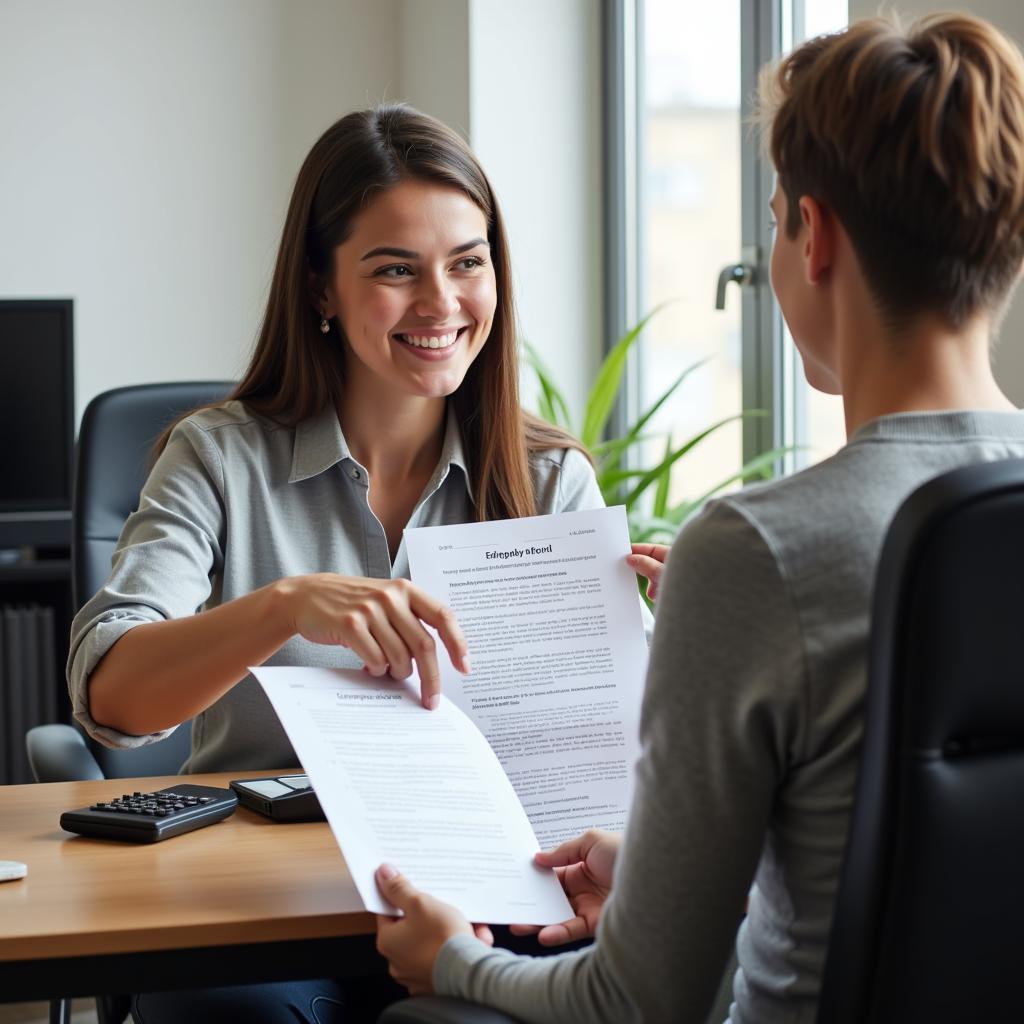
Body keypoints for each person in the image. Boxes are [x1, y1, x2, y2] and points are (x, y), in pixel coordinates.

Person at [374, 13, 1024, 1023]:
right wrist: (657, 867)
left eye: (773, 218)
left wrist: (454, 958)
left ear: (819, 239)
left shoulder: (759, 551)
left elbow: (638, 1000)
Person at [67, 105, 617, 1022]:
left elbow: (616, 755)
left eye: (467, 262)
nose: (441, 303)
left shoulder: (551, 479)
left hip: (500, 904)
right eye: (395, 269)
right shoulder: (218, 457)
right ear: (321, 288)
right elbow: (114, 699)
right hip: (265, 910)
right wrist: (282, 607)